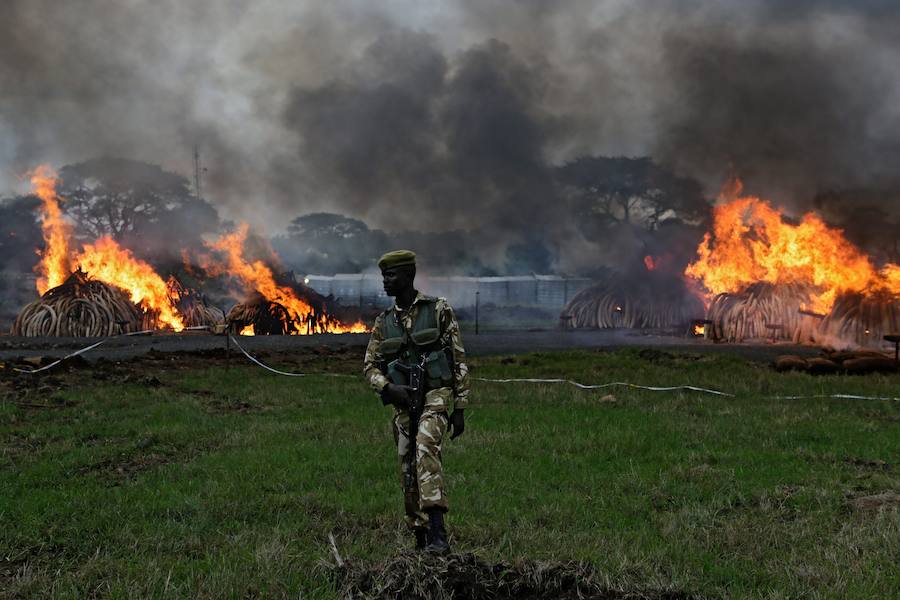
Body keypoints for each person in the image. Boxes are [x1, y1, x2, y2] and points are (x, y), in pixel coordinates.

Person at [364, 250, 469, 553]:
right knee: (408, 468)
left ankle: (438, 533)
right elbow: (369, 366)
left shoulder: (437, 310)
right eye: (383, 276)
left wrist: (460, 407)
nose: (386, 281)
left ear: (408, 276)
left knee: (425, 445)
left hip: (436, 395)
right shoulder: (383, 323)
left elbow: (458, 358)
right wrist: (387, 387)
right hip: (403, 402)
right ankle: (420, 538)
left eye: (392, 275)